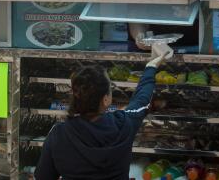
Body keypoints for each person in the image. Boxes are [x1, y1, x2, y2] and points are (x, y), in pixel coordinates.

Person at [34, 53, 167, 180]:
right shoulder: (124, 124)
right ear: (105, 100)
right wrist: (151, 66)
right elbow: (142, 100)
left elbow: (43, 176)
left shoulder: (59, 134)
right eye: (110, 88)